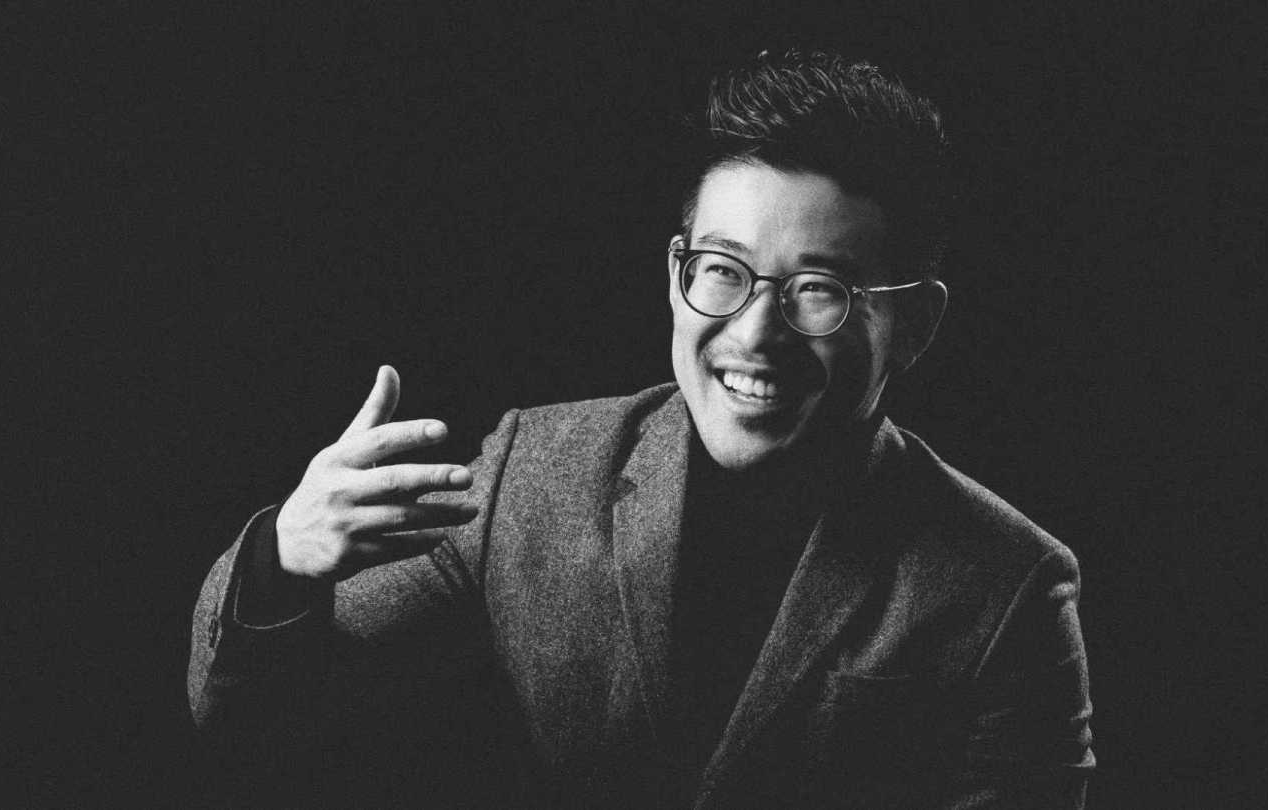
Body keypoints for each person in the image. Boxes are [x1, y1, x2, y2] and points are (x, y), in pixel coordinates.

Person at [189, 49, 1095, 808]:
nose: (755, 336)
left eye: (818, 290)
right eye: (722, 270)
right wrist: (284, 558)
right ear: (675, 276)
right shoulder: (531, 472)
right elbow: (251, 722)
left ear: (917, 324)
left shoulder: (1009, 588)